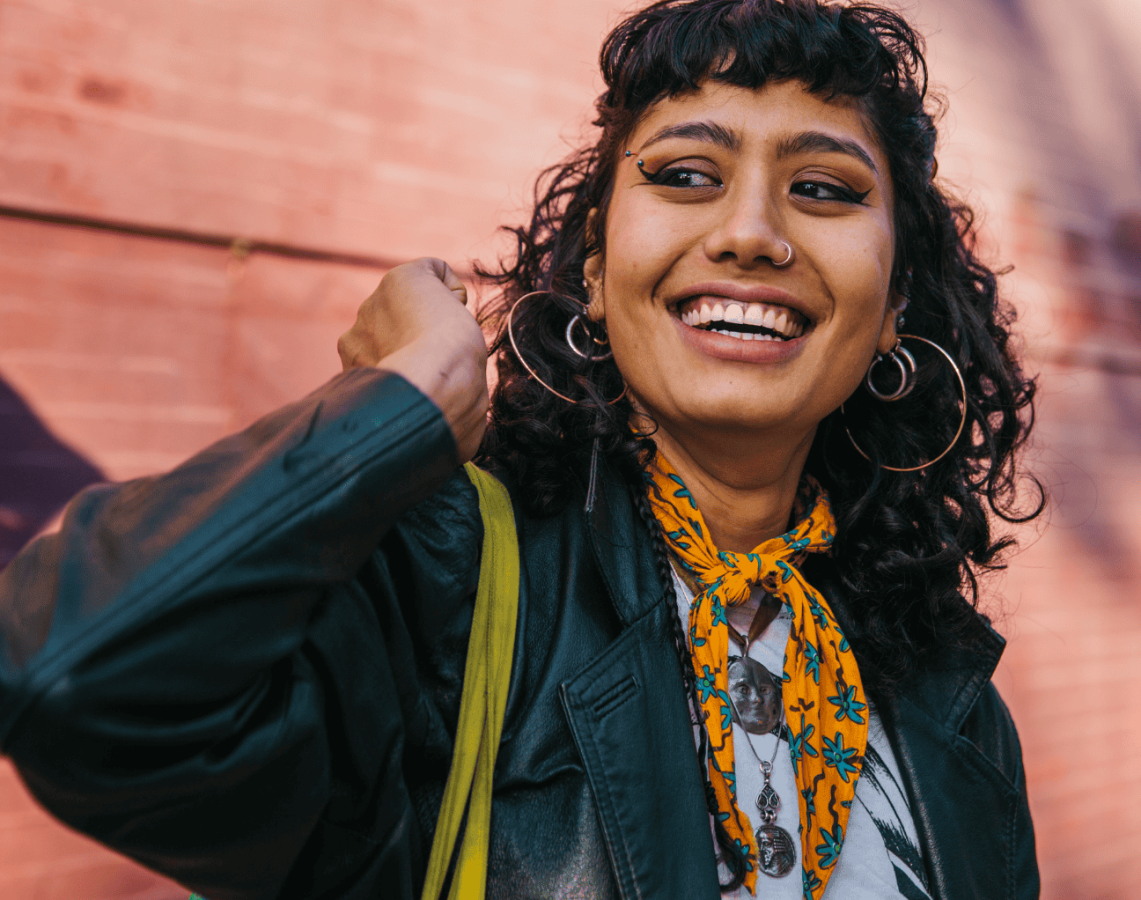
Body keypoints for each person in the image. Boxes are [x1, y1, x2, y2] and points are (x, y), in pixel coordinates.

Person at [0, 1, 1043, 898]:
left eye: (824, 189)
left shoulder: (948, 694)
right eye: (686, 173)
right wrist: (404, 401)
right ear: (594, 268)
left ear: (895, 297)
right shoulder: (437, 598)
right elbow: (75, 677)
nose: (752, 232)